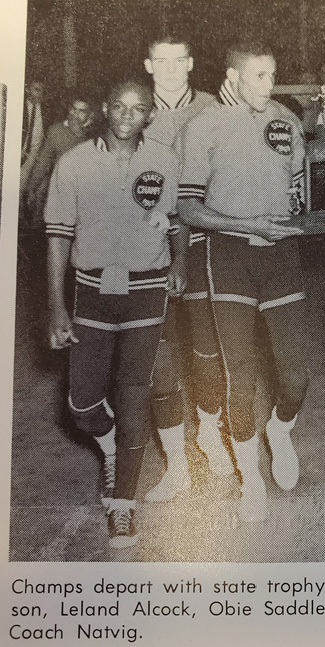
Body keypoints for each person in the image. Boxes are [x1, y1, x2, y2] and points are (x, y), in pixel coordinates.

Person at [45, 80, 182, 548]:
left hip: (146, 288)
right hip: (91, 291)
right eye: (119, 106)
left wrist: (178, 262)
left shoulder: (164, 160)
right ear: (105, 108)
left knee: (133, 394)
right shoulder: (74, 162)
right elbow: (58, 237)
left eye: (138, 108)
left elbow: (172, 219)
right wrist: (57, 307)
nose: (127, 115)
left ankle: (122, 502)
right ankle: (107, 443)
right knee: (82, 405)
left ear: (149, 116)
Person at [178, 38, 309, 523]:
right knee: (241, 375)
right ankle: (250, 480)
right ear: (232, 77)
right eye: (259, 75)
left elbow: (297, 187)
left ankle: (280, 430)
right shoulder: (203, 125)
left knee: (297, 375)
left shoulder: (286, 121)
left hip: (281, 255)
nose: (269, 84)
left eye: (272, 74)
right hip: (228, 255)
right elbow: (188, 207)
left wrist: (286, 218)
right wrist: (248, 223)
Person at [141, 33, 234, 504]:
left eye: (180, 59)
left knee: (207, 348)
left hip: (200, 241)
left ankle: (211, 433)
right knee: (156, 359)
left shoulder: (213, 108)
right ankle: (176, 466)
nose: (172, 68)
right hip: (146, 246)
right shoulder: (131, 110)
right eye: (163, 60)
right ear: (149, 64)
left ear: (192, 62)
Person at [24, 92, 95, 227]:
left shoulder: (97, 135)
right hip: (60, 193)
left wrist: (80, 133)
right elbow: (43, 162)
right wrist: (31, 188)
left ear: (90, 115)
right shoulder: (56, 131)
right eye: (73, 109)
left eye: (82, 111)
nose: (75, 114)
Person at [21, 80, 46, 191]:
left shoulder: (47, 110)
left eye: (42, 90)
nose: (40, 93)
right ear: (27, 90)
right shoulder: (19, 107)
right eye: (36, 89)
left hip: (34, 154)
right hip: (20, 151)